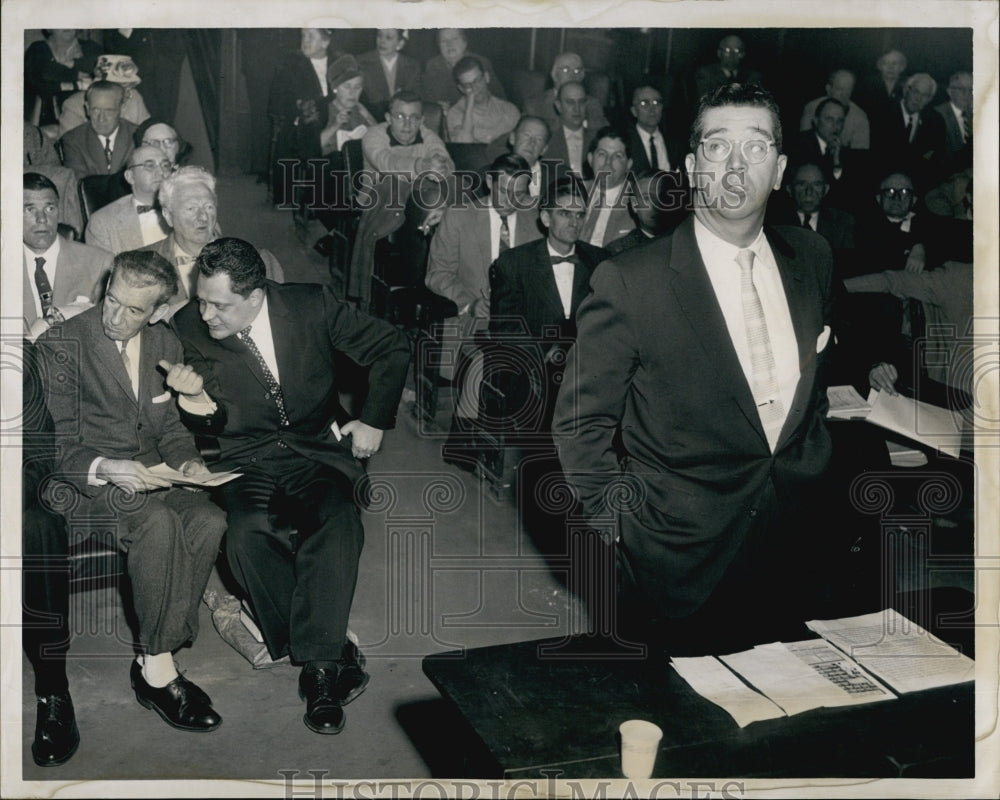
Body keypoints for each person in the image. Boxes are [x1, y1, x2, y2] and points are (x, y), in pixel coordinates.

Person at [552, 84, 834, 655]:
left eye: (755, 148)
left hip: (796, 544)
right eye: (717, 146)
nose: (735, 165)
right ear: (689, 166)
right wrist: (623, 531)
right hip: (676, 559)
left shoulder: (812, 257)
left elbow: (810, 398)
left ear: (779, 170)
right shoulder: (631, 281)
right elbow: (579, 425)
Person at [170, 237, 411, 734]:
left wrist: (373, 419)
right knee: (245, 535)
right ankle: (330, 649)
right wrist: (199, 411)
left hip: (315, 448)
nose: (207, 313)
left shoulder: (311, 305)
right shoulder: (188, 327)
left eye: (220, 304)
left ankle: (319, 674)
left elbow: (392, 345)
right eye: (201, 299)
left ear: (256, 296)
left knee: (338, 523)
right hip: (244, 458)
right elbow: (202, 420)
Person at [36, 250, 227, 733]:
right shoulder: (64, 343)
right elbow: (57, 443)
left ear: (158, 312)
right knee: (157, 524)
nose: (115, 317)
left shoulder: (165, 340)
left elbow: (171, 431)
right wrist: (109, 467)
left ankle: (154, 652)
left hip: (153, 473)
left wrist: (190, 463)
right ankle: (160, 668)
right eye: (111, 300)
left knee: (210, 519)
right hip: (87, 484)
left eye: (133, 310)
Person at [424, 153, 542, 463]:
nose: (509, 202)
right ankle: (467, 439)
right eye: (503, 191)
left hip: (521, 319)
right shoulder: (460, 215)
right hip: (471, 314)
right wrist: (470, 303)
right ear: (490, 182)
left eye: (519, 194)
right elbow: (437, 275)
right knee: (490, 354)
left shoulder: (536, 219)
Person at [142, 166, 284, 314]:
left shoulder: (260, 261)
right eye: (191, 208)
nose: (203, 217)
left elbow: (275, 321)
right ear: (168, 216)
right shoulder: (142, 265)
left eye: (209, 207)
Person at [22, 173, 112, 341]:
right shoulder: (6, 266)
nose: (42, 219)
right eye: (29, 209)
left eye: (50, 208)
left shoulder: (100, 263)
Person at [268, 28, 337, 208]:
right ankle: (314, 197)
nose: (304, 41)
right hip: (300, 122)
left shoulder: (339, 62)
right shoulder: (291, 64)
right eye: (303, 36)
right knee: (309, 133)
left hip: (333, 118)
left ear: (325, 42)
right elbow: (278, 99)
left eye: (310, 37)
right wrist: (298, 105)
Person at [84, 145, 171, 254]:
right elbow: (103, 269)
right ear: (130, 177)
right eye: (150, 166)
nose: (161, 172)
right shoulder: (102, 222)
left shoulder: (188, 209)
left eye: (165, 165)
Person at [869, 72, 946, 189]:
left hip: (917, 186)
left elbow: (935, 163)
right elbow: (876, 157)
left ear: (930, 99)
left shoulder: (935, 122)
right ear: (906, 90)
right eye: (916, 92)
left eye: (925, 95)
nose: (918, 98)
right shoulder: (882, 113)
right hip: (881, 183)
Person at [789, 97, 866, 210]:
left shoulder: (845, 153)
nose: (836, 126)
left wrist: (836, 163)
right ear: (816, 121)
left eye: (840, 121)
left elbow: (847, 193)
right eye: (829, 119)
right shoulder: (797, 145)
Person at [361, 89, 454, 179]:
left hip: (420, 191)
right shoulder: (373, 135)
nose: (407, 125)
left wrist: (442, 167)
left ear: (421, 121)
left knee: (456, 183)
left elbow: (440, 152)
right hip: (378, 191)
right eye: (400, 116)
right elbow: (387, 163)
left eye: (414, 117)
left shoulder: (427, 135)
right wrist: (420, 166)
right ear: (388, 118)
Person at [59, 80, 137, 180]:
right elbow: (79, 185)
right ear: (87, 109)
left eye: (109, 111)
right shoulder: (73, 140)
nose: (101, 118)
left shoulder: (137, 136)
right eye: (95, 110)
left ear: (121, 108)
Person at [24, 29, 103, 128]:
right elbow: (45, 74)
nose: (67, 26)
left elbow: (100, 66)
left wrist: (72, 63)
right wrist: (78, 80)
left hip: (88, 116)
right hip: (49, 118)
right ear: (49, 28)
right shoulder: (37, 48)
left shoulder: (90, 46)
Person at [57, 54, 150, 138]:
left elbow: (147, 131)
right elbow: (70, 144)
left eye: (128, 86)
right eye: (119, 88)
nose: (126, 94)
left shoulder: (133, 96)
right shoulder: (74, 105)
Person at [525, 52, 608, 134]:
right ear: (554, 75)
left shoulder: (593, 105)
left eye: (577, 71)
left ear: (582, 76)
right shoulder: (534, 106)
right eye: (565, 70)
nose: (572, 76)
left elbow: (603, 136)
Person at [580, 128, 636, 248]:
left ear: (628, 165)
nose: (608, 162)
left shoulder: (638, 200)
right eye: (602, 154)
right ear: (590, 159)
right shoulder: (575, 192)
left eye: (617, 156)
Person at [421, 28, 506, 108]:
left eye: (454, 39)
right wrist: (436, 107)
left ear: (464, 43)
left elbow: (499, 98)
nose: (449, 44)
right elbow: (426, 100)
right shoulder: (432, 66)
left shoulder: (481, 62)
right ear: (439, 46)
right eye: (444, 41)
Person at [445, 55, 519, 144]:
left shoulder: (508, 110)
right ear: (461, 89)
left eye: (477, 80)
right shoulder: (455, 113)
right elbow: (463, 145)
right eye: (468, 85)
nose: (474, 87)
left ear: (486, 77)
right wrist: (469, 104)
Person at [319, 54, 377, 156]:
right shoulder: (323, 111)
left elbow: (381, 140)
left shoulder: (360, 110)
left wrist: (368, 117)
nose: (352, 92)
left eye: (357, 87)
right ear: (335, 88)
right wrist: (335, 125)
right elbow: (312, 147)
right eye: (347, 86)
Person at [798, 69, 870, 151]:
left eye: (848, 90)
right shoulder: (811, 108)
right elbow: (803, 145)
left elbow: (860, 156)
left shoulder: (860, 118)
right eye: (840, 89)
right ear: (828, 89)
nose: (844, 95)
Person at [357, 29, 420, 122]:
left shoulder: (412, 66)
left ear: (400, 44)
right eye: (379, 36)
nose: (382, 41)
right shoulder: (362, 63)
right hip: (371, 119)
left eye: (388, 38)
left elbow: (414, 98)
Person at [605, 173, 675, 255]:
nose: (656, 205)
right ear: (634, 204)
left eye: (662, 197)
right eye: (646, 198)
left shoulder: (686, 242)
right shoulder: (618, 251)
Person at [626, 85, 682, 176]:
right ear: (634, 111)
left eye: (656, 102)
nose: (652, 109)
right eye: (644, 103)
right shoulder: (625, 142)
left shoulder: (675, 143)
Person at [543, 82, 597, 177]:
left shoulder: (597, 138)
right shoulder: (546, 138)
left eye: (581, 102)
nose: (577, 108)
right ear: (559, 106)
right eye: (570, 102)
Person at [692, 34, 762, 102]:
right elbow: (705, 100)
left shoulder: (753, 76)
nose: (732, 55)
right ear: (719, 53)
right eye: (727, 50)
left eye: (736, 50)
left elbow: (755, 101)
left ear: (742, 54)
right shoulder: (706, 73)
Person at [934, 71, 973, 173]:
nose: (967, 94)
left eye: (971, 90)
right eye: (961, 89)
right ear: (950, 92)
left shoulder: (973, 116)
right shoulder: (937, 115)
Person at [854, 49, 908, 117]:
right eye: (885, 63)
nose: (890, 67)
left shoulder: (907, 87)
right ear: (879, 66)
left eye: (894, 63)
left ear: (902, 67)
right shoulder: (867, 86)